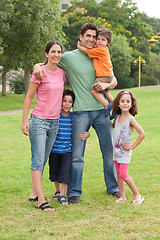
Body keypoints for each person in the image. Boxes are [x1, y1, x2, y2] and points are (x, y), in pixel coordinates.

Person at [34, 22, 120, 204]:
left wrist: (107, 85)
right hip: (80, 112)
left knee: (108, 151)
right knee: (77, 155)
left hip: (101, 112)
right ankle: (73, 192)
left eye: (94, 37)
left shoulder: (99, 53)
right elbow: (50, 60)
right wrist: (36, 66)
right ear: (80, 37)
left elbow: (113, 79)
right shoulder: (69, 57)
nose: (91, 39)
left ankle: (113, 188)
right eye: (88, 36)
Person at [21, 41, 66, 211]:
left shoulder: (61, 73)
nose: (56, 54)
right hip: (39, 120)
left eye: (59, 52)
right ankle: (41, 200)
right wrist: (24, 121)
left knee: (44, 158)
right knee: (38, 160)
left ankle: (34, 192)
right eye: (53, 51)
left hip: (55, 122)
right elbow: (28, 97)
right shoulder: (39, 73)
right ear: (46, 54)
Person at [49, 89, 90, 205]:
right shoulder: (55, 115)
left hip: (67, 150)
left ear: (73, 104)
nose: (67, 104)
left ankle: (63, 194)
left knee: (66, 172)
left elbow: (83, 128)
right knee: (54, 172)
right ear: (60, 102)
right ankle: (57, 191)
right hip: (54, 149)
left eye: (70, 102)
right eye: (64, 101)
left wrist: (88, 133)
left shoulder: (74, 117)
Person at [112, 91, 145, 205]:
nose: (125, 103)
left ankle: (137, 195)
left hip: (125, 152)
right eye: (122, 101)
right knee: (118, 174)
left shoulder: (131, 119)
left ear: (131, 104)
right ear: (118, 104)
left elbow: (142, 134)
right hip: (116, 151)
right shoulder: (117, 118)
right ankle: (122, 196)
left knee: (123, 174)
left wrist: (132, 146)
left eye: (128, 101)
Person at [77, 26, 114, 112]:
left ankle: (106, 105)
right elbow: (92, 49)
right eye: (98, 39)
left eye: (103, 40)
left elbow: (87, 51)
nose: (100, 41)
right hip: (108, 75)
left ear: (108, 43)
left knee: (94, 90)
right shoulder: (100, 49)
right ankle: (117, 108)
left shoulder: (102, 50)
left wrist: (79, 47)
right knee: (106, 93)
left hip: (104, 76)